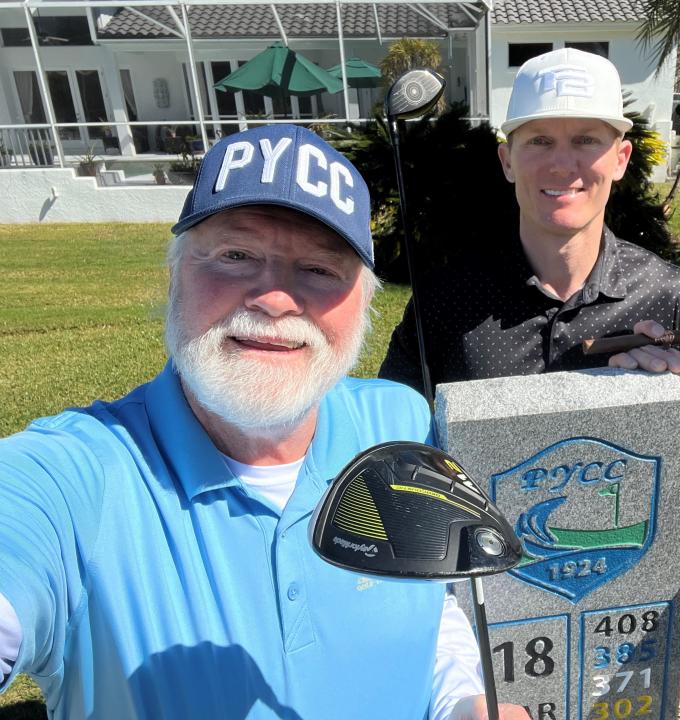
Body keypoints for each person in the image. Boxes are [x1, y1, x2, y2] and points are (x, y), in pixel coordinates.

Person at [0, 124, 528, 720]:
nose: (274, 297)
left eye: (319, 269)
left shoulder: (396, 421)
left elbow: (427, 600)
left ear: (365, 304)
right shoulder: (72, 479)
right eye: (236, 256)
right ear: (174, 278)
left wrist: (461, 701)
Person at [378, 48, 680, 393]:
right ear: (507, 161)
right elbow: (390, 430)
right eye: (540, 141)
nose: (561, 165)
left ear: (620, 159)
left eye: (586, 140)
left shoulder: (667, 294)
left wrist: (666, 387)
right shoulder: (442, 297)